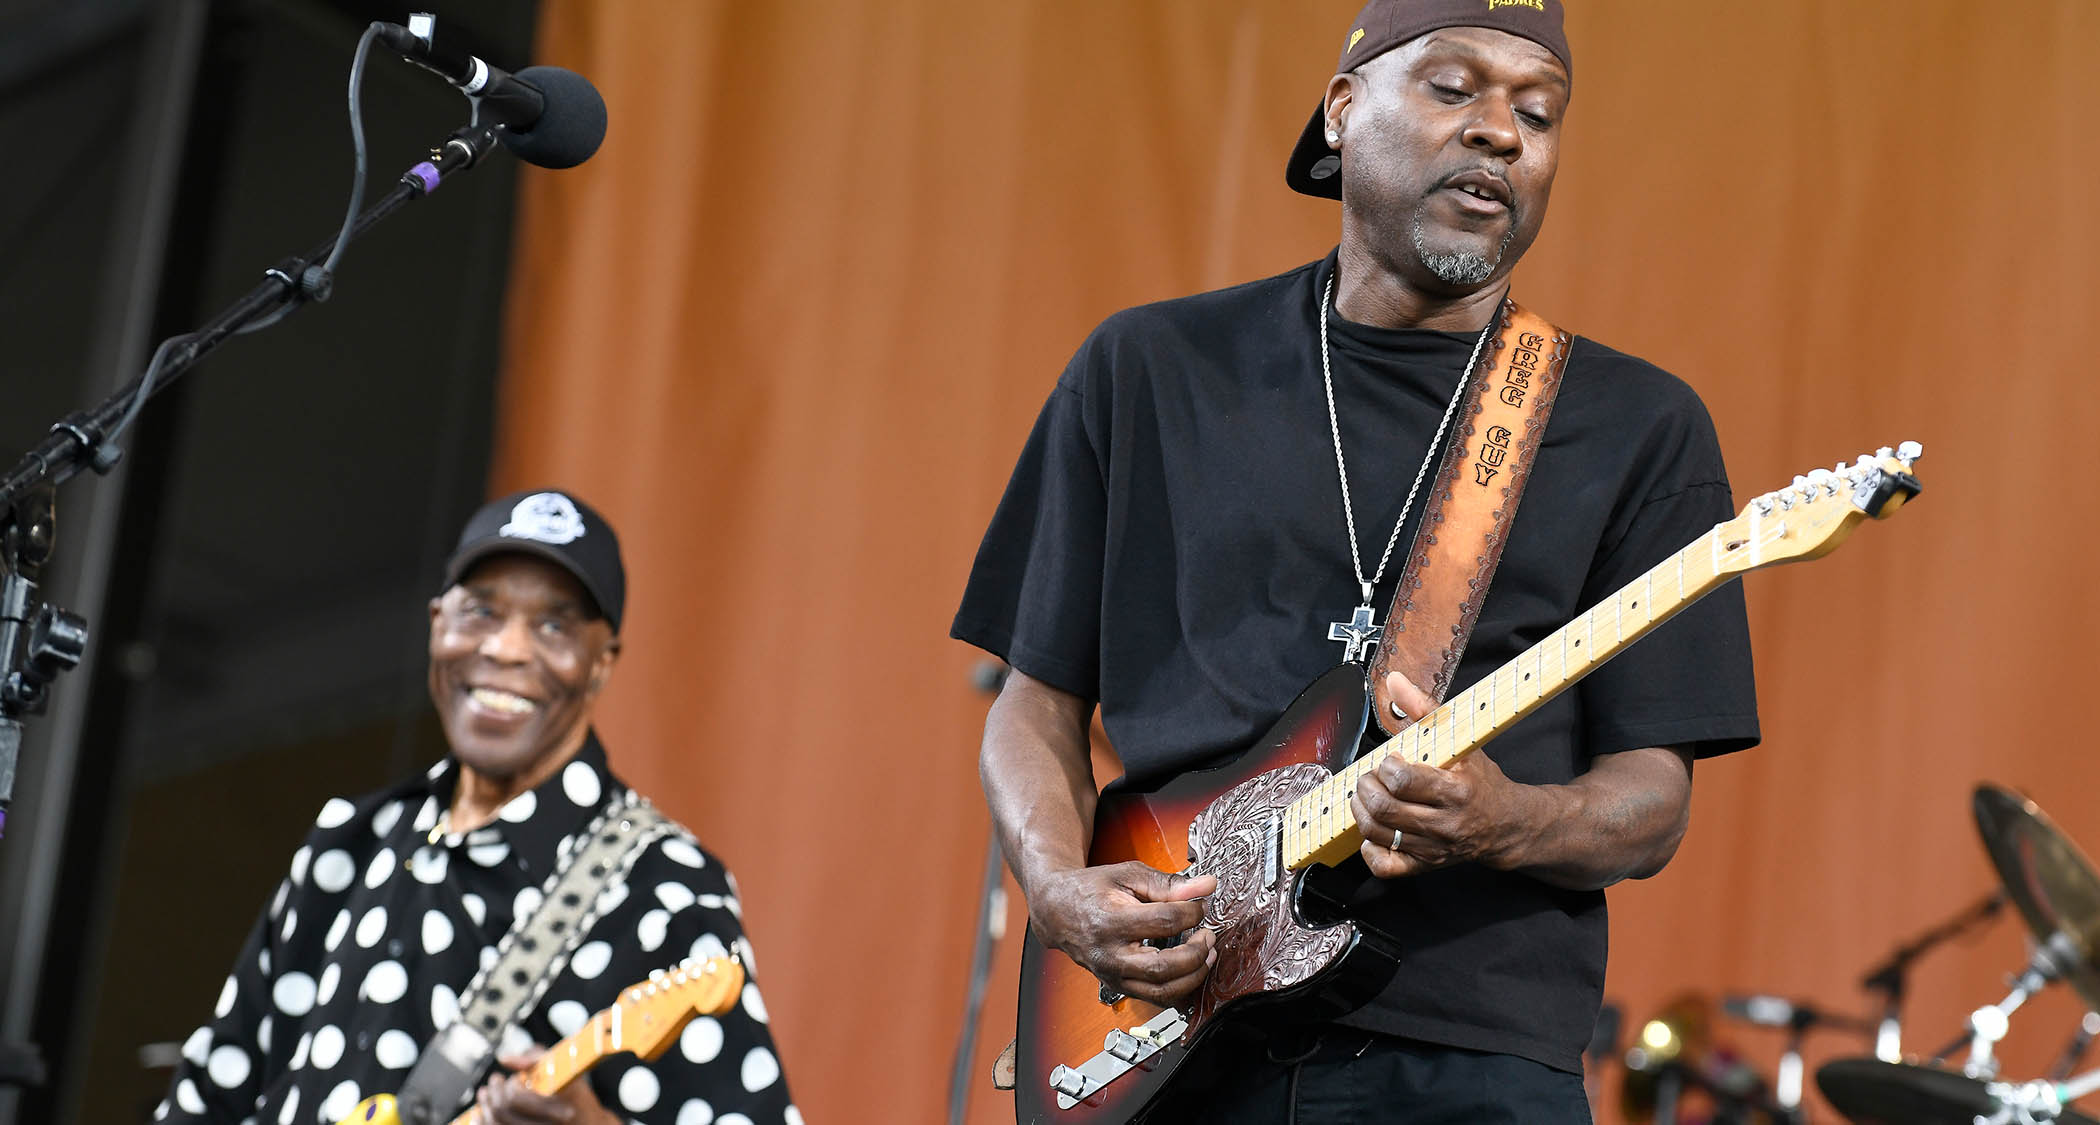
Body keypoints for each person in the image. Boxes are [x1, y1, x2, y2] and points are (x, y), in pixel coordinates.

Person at [953, 1, 1759, 1120]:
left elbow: (1652, 801)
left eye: (1538, 111)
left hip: (1469, 1060)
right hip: (1165, 1041)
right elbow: (1032, 705)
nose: (1500, 132)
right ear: (1341, 111)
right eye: (1453, 87)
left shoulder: (1636, 425)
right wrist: (1055, 886)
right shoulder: (1149, 368)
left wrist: (1506, 818)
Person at [155, 490, 798, 1125]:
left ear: (602, 664)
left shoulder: (664, 887)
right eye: (482, 612)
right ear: (438, 624)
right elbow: (206, 1099)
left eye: (554, 625)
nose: (507, 649)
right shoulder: (348, 845)